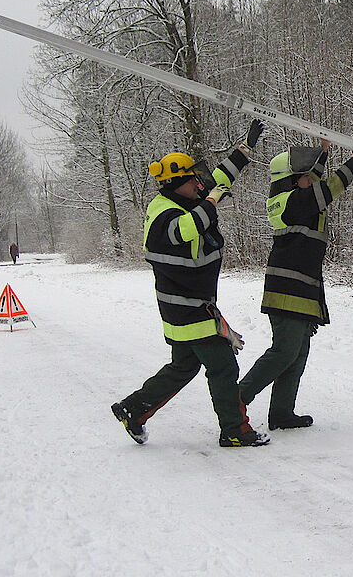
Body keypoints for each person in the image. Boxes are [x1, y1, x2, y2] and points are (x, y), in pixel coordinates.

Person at [111, 119, 269, 448]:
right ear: (177, 183)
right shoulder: (164, 214)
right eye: (193, 179)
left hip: (182, 308)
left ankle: (133, 409)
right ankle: (234, 430)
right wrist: (210, 202)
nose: (200, 183)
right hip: (190, 309)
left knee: (183, 367)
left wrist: (246, 147)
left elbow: (218, 179)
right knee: (223, 366)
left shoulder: (183, 198)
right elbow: (186, 229)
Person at [239, 139, 353, 430]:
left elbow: (315, 182)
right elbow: (329, 188)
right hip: (287, 291)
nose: (312, 179)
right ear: (292, 180)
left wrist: (323, 152)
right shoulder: (292, 202)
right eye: (306, 176)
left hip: (300, 290)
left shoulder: (294, 197)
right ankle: (237, 398)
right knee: (284, 351)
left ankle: (282, 413)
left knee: (297, 355)